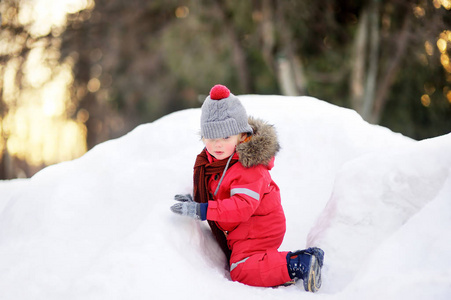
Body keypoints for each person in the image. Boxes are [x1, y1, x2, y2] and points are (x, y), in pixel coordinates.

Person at [170, 84, 324, 292]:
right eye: (212, 138)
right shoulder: (212, 162)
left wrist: (204, 210)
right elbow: (218, 192)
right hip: (241, 229)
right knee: (243, 265)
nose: (218, 145)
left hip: (259, 227)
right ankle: (301, 258)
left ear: (242, 135)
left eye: (226, 137)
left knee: (243, 271)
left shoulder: (249, 167)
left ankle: (299, 264)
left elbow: (242, 206)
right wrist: (199, 201)